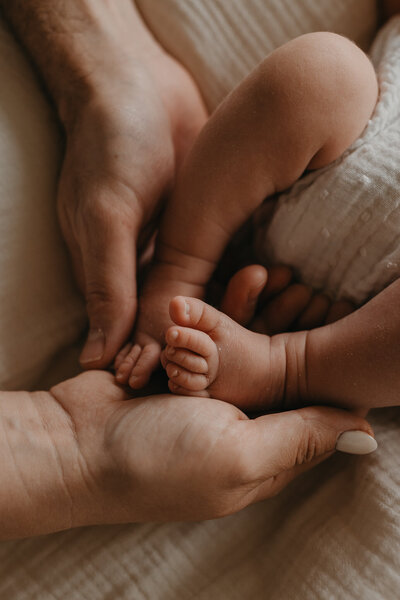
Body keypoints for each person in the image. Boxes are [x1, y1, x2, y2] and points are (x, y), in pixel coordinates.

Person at [114, 32, 378, 390]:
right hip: (357, 134)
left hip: (361, 341)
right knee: (326, 70)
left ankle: (290, 371)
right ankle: (179, 267)